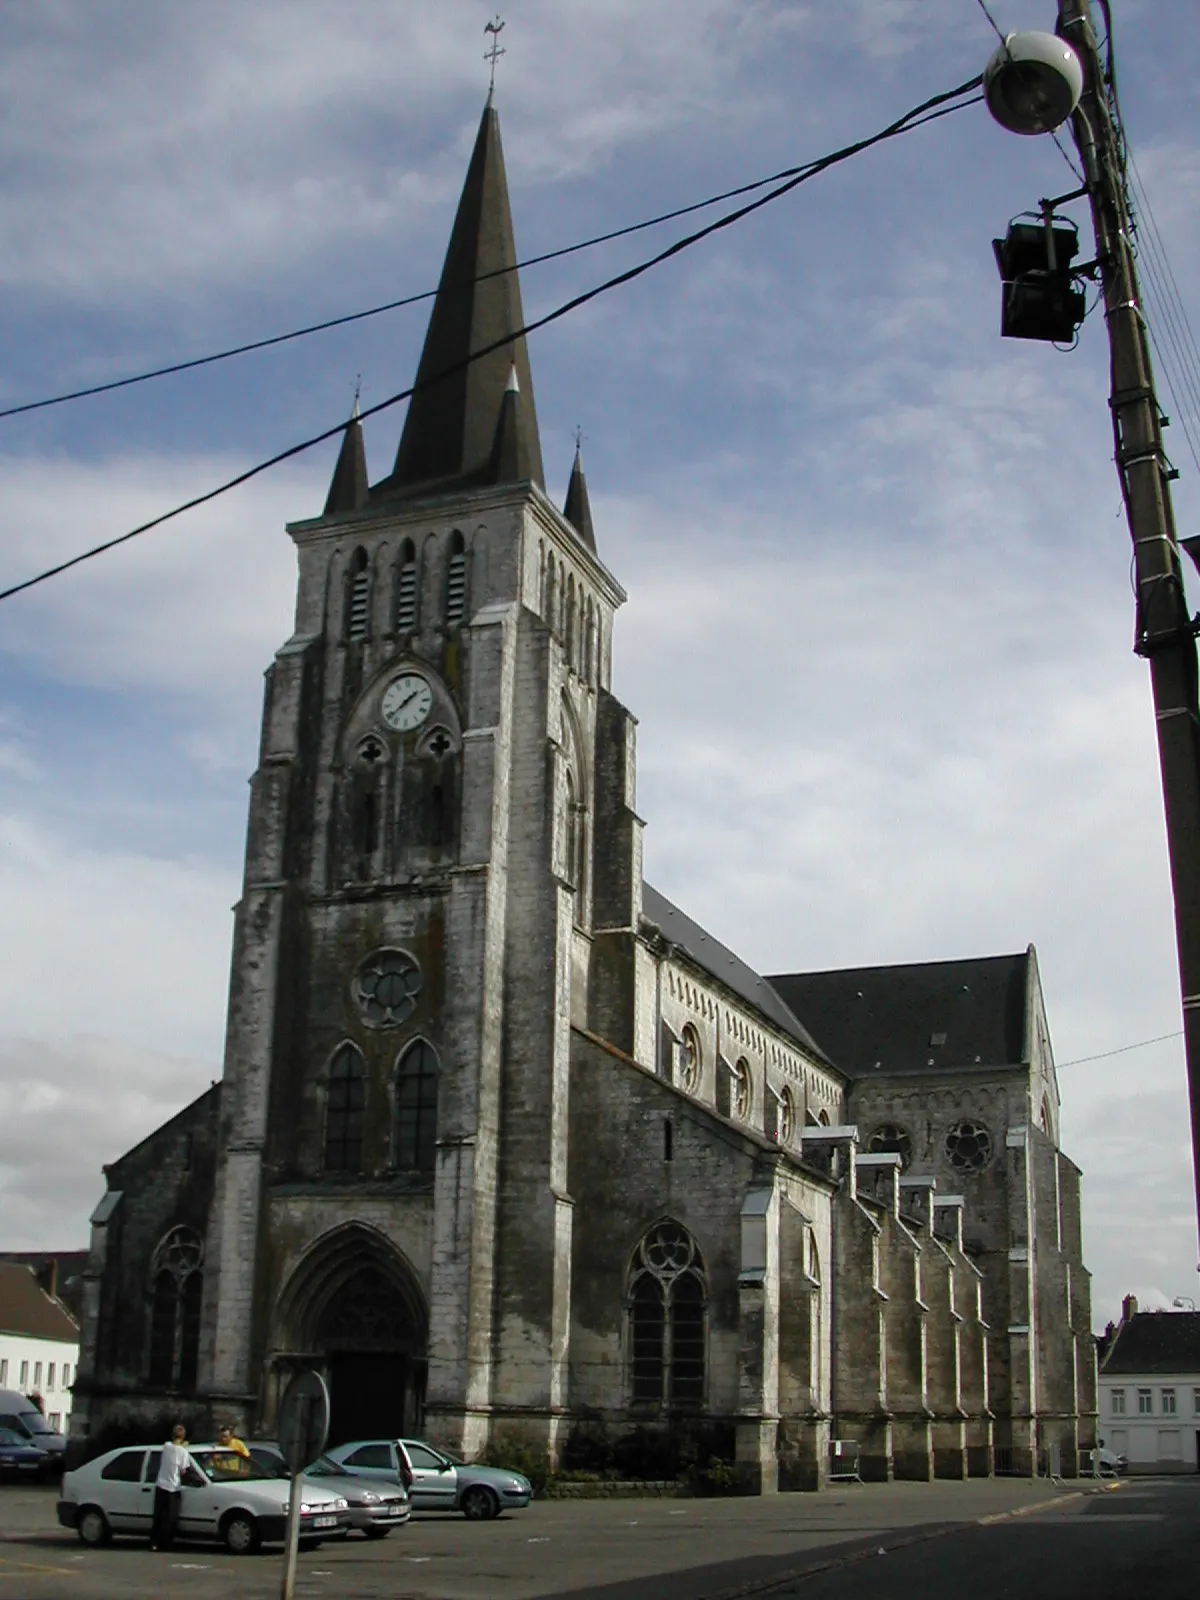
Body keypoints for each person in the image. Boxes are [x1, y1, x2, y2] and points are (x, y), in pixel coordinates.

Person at [152, 1423, 190, 1551]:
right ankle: (166, 1543)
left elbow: (173, 1446)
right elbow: (183, 1470)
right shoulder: (183, 1451)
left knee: (158, 1516)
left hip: (160, 1485)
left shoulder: (166, 1446)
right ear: (183, 1437)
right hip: (173, 1487)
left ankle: (155, 1542)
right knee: (170, 1517)